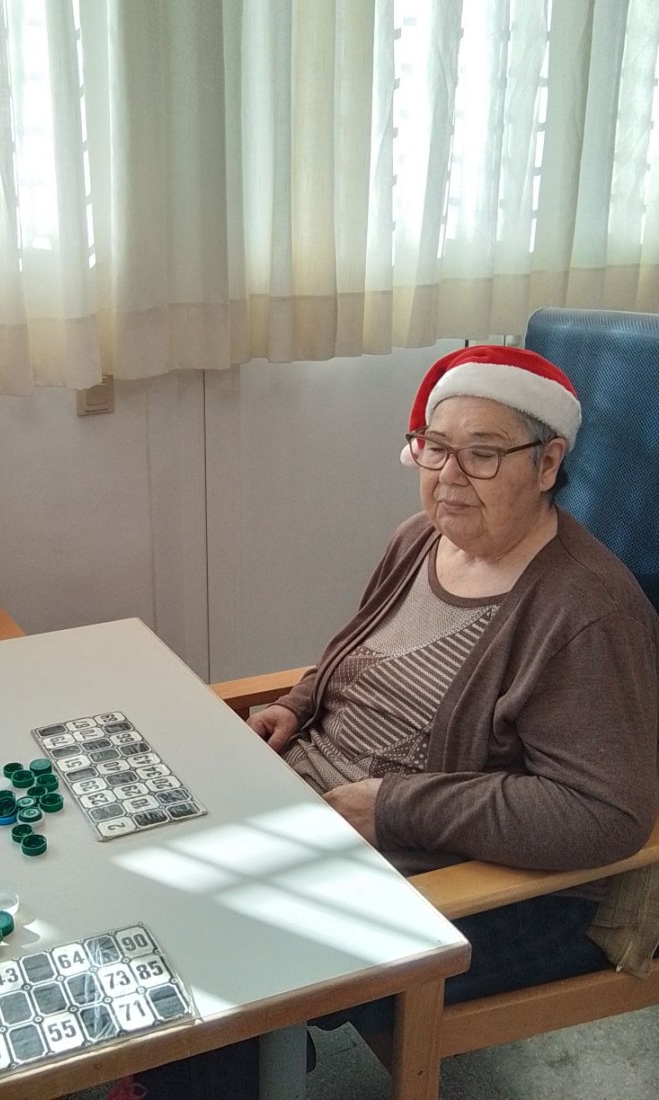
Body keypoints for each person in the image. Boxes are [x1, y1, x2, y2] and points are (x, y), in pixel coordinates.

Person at [129, 344, 659, 1096]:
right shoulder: (420, 539)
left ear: (548, 464)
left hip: (465, 879)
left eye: (483, 454)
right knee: (143, 848)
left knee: (209, 933)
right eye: (435, 448)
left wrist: (393, 807)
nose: (448, 475)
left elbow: (605, 814)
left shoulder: (587, 613)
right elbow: (357, 656)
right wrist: (294, 705)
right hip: (316, 807)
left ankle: (236, 1067)